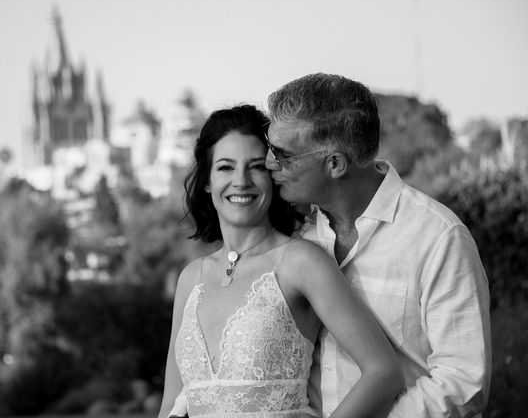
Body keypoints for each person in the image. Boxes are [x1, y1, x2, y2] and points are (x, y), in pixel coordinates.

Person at [264, 73, 491, 418]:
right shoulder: (295, 239)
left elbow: (463, 382)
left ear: (335, 164)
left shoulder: (437, 236)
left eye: (283, 155)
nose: (269, 164)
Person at [159, 105, 403, 418]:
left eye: (256, 166)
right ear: (207, 181)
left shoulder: (300, 261)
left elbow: (384, 372)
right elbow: (171, 403)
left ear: (273, 176)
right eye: (225, 167)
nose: (241, 181)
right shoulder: (191, 278)